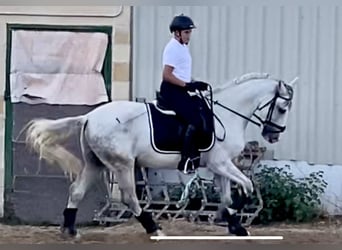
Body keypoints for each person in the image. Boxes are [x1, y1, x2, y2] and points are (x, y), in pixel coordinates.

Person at [159, 14, 210, 174]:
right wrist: (188, 85)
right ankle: (186, 159)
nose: (189, 35)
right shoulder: (173, 48)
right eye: (186, 32)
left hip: (180, 89)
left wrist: (195, 83)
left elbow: (181, 72)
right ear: (177, 33)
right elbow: (167, 75)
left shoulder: (182, 47)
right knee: (194, 119)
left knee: (202, 111)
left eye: (190, 32)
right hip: (172, 91)